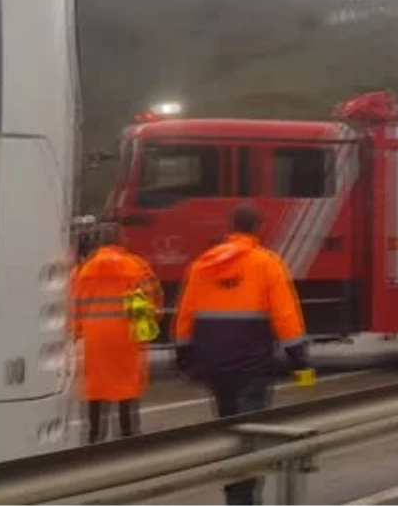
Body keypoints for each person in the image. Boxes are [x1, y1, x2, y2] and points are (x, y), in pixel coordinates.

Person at [174, 203, 315, 506]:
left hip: (213, 366)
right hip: (253, 365)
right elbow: (286, 316)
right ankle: (243, 500)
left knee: (229, 429)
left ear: (231, 227)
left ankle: (235, 493)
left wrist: (184, 357)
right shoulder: (267, 263)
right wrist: (298, 359)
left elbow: (185, 316)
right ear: (258, 227)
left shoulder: (202, 265)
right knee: (251, 432)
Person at [70, 223, 161, 444]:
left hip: (95, 337)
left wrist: (77, 332)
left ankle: (94, 436)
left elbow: (75, 306)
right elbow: (152, 299)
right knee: (127, 387)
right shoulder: (136, 267)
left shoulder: (84, 270)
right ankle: (128, 435)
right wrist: (147, 329)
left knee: (97, 388)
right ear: (122, 240)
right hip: (126, 335)